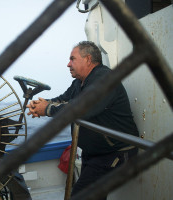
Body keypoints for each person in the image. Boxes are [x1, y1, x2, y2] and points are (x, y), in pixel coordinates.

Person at [26, 41, 139, 199]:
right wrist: (42, 104)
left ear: (88, 59)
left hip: (116, 154)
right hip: (95, 153)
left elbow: (82, 107)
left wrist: (47, 109)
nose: (68, 64)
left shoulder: (105, 78)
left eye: (72, 59)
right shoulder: (78, 83)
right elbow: (63, 100)